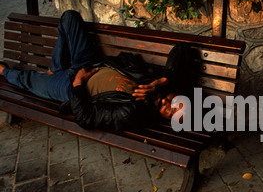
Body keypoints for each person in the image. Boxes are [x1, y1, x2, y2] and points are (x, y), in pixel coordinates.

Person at [0, 10, 195, 131]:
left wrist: (78, 83)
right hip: (91, 64)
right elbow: (183, 49)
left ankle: (3, 72)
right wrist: (162, 81)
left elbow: (86, 118)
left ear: (165, 119)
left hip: (71, 88)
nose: (165, 103)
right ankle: (54, 68)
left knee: (30, 80)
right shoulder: (158, 81)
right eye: (175, 102)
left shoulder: (132, 114)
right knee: (70, 17)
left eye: (168, 112)